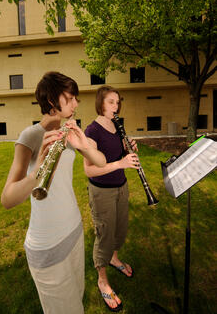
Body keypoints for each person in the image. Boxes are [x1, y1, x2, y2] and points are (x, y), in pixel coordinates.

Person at [1, 71, 106, 314]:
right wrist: (37, 171)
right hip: (47, 244)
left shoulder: (70, 132)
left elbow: (100, 161)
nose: (76, 104)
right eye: (70, 98)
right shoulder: (30, 136)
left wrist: (83, 146)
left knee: (77, 299)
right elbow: (7, 199)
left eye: (76, 98)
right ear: (51, 101)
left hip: (74, 231)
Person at [84, 85, 140, 312]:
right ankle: (102, 280)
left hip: (121, 186)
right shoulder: (92, 131)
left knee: (119, 230)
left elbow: (118, 153)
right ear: (100, 103)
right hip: (102, 191)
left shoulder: (118, 125)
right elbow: (89, 170)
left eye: (117, 102)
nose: (115, 106)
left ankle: (115, 259)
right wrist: (120, 163)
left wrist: (128, 148)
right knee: (105, 235)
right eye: (110, 102)